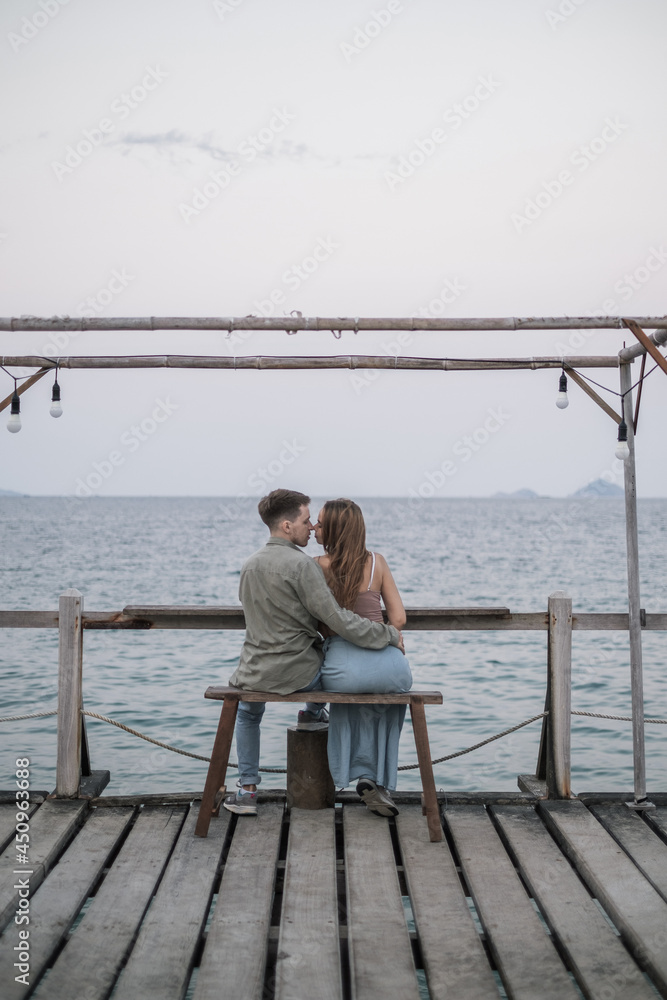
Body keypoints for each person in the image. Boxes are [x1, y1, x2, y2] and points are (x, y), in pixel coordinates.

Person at [223, 489, 403, 816]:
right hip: (302, 676)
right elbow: (336, 619)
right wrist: (387, 634)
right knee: (328, 661)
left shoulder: (249, 565)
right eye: (307, 522)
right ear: (288, 526)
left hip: (254, 672)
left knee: (248, 712)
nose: (311, 528)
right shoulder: (303, 566)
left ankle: (247, 791)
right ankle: (312, 714)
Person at [313, 499, 412, 818]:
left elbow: (314, 623)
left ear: (334, 530)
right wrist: (382, 634)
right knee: (385, 701)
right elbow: (398, 618)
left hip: (343, 664)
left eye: (319, 523)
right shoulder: (377, 562)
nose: (314, 528)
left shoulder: (316, 566)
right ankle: (378, 781)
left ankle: (353, 771)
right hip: (390, 663)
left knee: (349, 693)